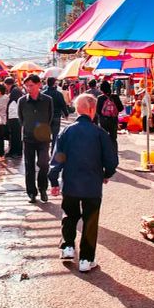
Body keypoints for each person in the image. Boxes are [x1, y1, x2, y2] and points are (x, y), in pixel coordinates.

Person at [49, 94, 118, 272]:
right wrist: (106, 174)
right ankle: (86, 260)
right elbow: (111, 161)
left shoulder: (66, 131)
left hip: (70, 183)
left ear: (78, 109)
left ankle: (67, 248)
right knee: (90, 221)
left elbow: (57, 158)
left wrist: (54, 180)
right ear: (92, 109)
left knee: (69, 216)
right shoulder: (100, 133)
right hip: (92, 186)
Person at [18, 74, 53, 203]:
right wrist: (28, 128)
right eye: (26, 86)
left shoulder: (47, 100)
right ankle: (32, 193)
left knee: (44, 164)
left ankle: (43, 188)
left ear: (39, 85)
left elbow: (50, 117)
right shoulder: (22, 101)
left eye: (31, 85)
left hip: (43, 138)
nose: (29, 88)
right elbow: (21, 119)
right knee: (29, 166)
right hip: (28, 138)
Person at [43, 77, 70, 152]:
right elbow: (63, 105)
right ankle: (53, 151)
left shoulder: (43, 93)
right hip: (56, 116)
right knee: (55, 135)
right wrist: (66, 114)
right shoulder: (58, 94)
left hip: (46, 117)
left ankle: (45, 151)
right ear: (54, 84)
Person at [96, 80, 124, 150]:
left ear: (101, 89)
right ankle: (114, 152)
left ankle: (105, 152)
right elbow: (121, 108)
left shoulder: (100, 98)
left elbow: (98, 111)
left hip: (103, 121)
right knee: (113, 138)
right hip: (113, 120)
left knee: (103, 138)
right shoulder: (115, 97)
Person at [5, 77, 23, 159]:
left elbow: (15, 104)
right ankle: (14, 151)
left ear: (8, 84)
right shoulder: (15, 90)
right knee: (14, 135)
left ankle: (16, 152)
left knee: (16, 135)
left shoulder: (15, 91)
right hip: (14, 116)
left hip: (15, 116)